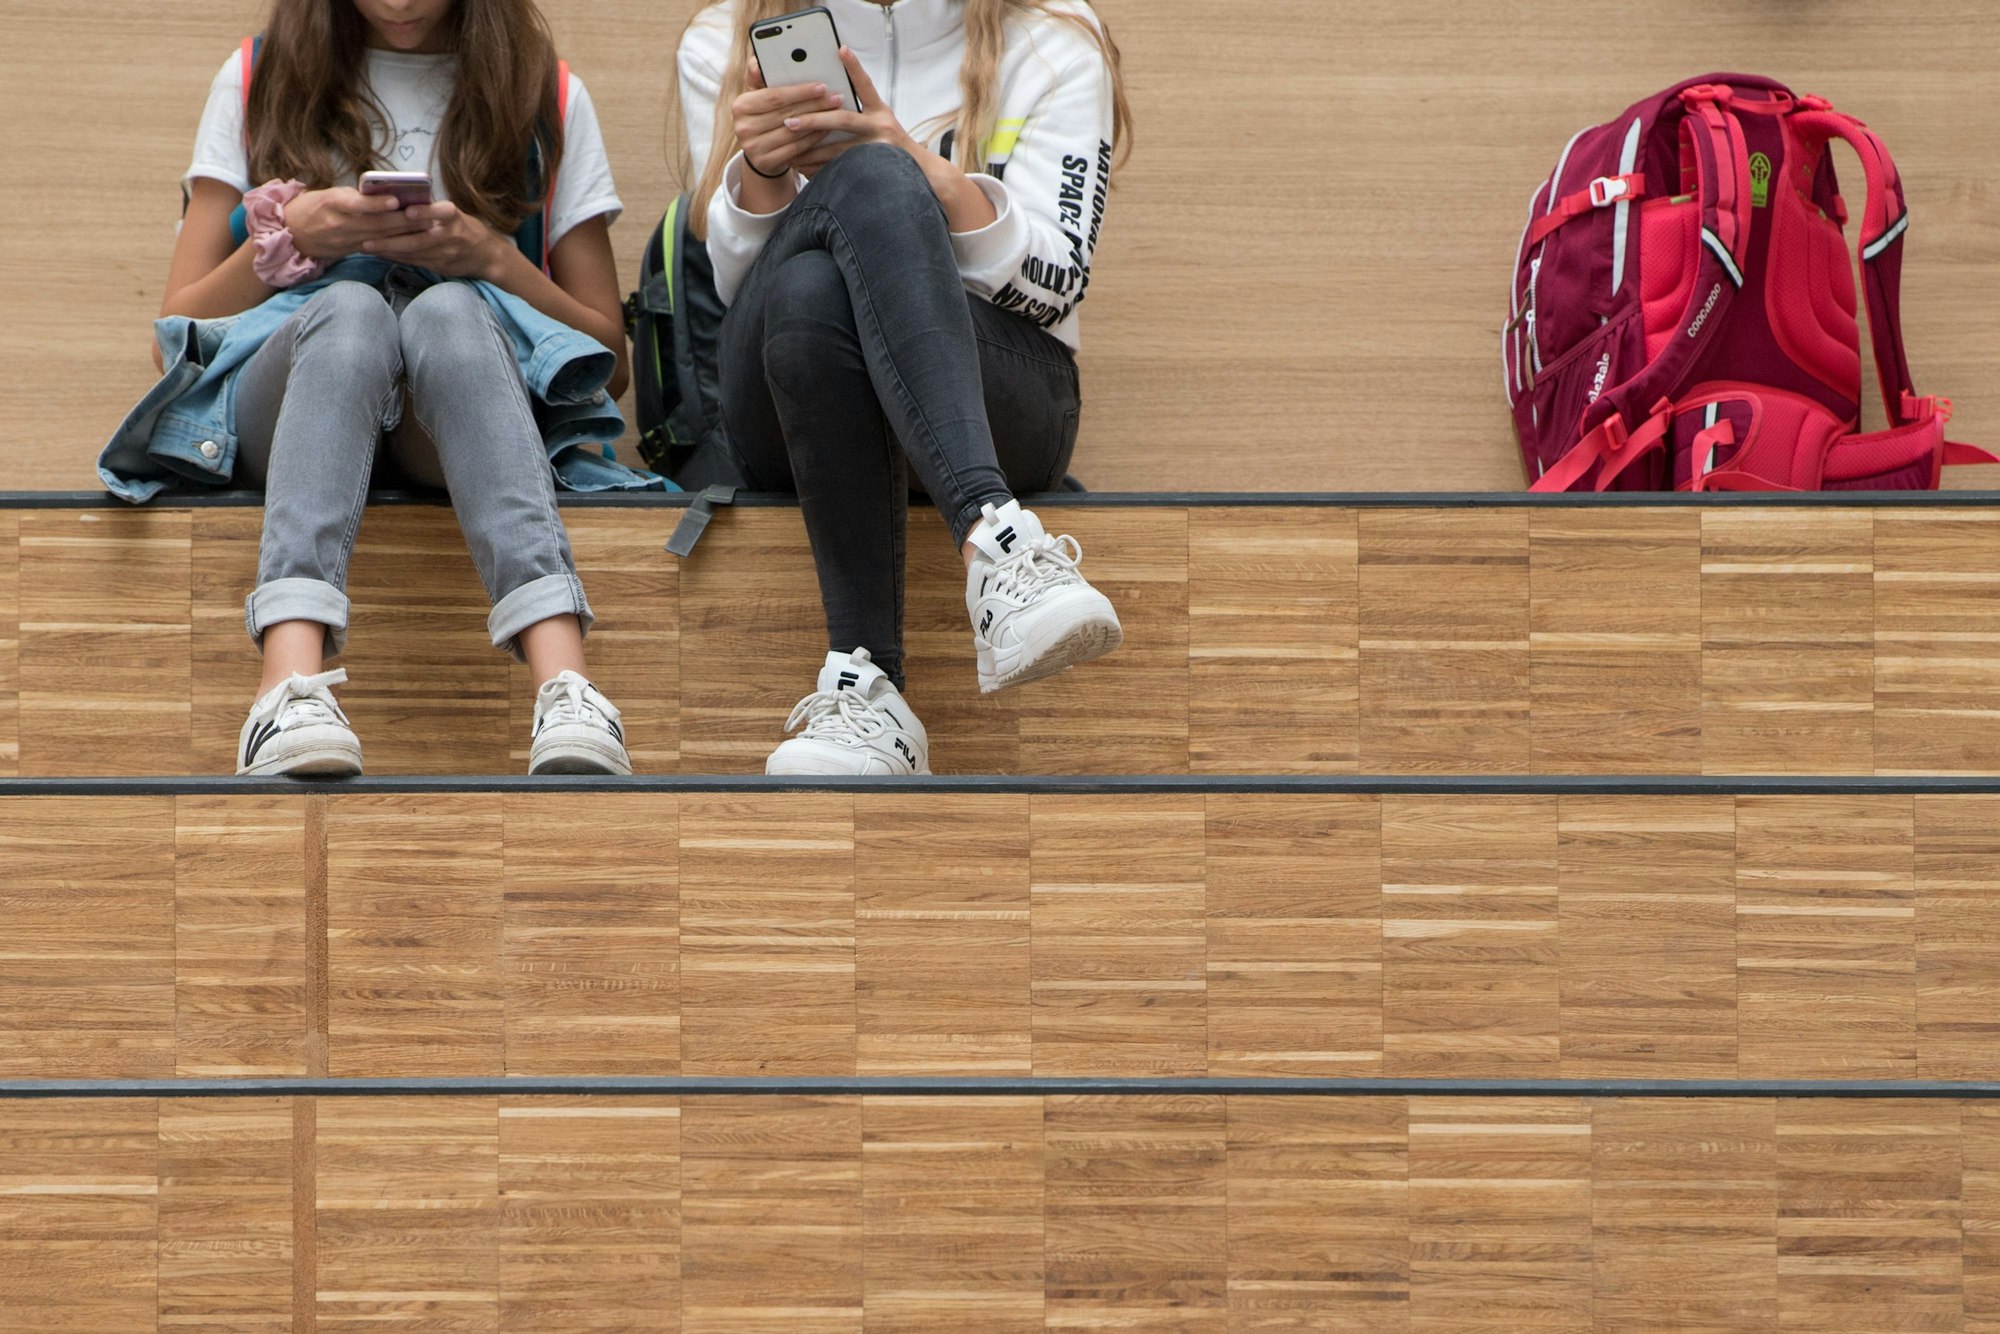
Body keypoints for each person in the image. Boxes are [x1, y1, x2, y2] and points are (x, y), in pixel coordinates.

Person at [146, 0, 636, 776]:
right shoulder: (255, 76)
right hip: (295, 404)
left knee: (447, 309)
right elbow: (174, 331)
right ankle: (286, 686)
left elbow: (611, 360)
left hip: (451, 418)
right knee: (351, 309)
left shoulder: (544, 93)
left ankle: (568, 685)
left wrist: (491, 259)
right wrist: (294, 239)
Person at [675, 0, 1134, 776]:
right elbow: (739, 292)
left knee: (878, 179)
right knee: (812, 285)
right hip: (787, 405)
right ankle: (998, 544)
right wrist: (761, 172)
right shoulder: (724, 38)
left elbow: (1058, 284)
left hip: (1006, 392)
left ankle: (870, 686)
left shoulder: (1055, 39)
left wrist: (919, 167)